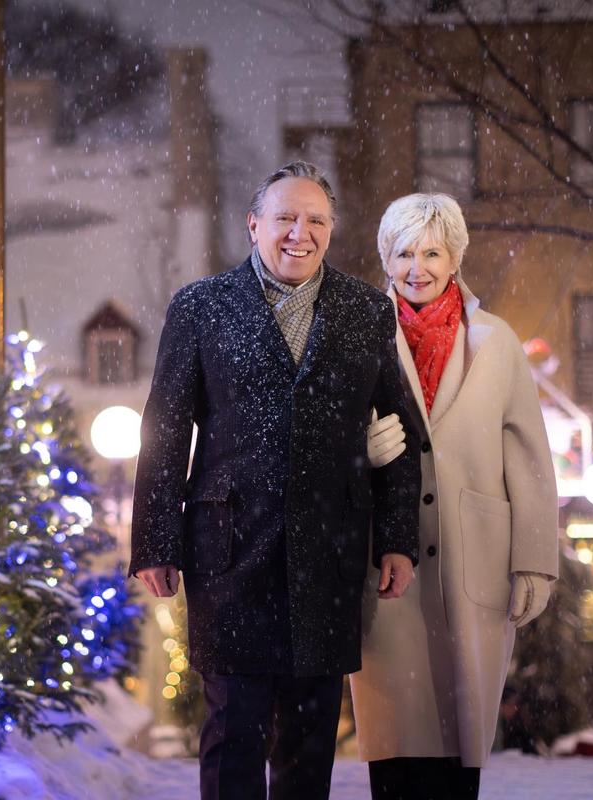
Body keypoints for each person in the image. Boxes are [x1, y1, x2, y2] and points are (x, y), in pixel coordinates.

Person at [129, 161, 421, 800]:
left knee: (310, 741)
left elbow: (402, 430)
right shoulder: (201, 307)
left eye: (316, 219)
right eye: (285, 217)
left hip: (330, 553)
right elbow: (166, 431)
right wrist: (155, 542)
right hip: (230, 551)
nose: (300, 232)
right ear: (253, 224)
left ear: (332, 229)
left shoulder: (365, 310)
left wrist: (397, 536)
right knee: (234, 731)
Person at [350, 193, 559, 800]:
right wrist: (357, 449)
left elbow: (528, 457)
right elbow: (323, 433)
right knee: (395, 734)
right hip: (387, 558)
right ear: (386, 259)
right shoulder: (358, 332)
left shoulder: (496, 340)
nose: (418, 267)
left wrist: (535, 562)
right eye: (404, 252)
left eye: (432, 252)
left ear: (455, 257)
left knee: (461, 732)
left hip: (478, 556)